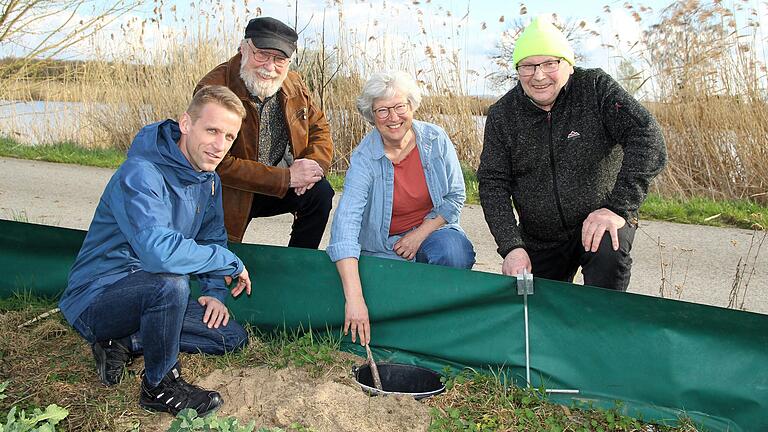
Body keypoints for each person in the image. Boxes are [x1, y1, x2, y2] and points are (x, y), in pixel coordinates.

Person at [59, 85, 253, 416]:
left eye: (229, 137)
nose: (220, 146)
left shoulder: (208, 180)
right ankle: (159, 386)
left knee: (230, 338)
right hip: (98, 298)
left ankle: (124, 343)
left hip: (156, 291)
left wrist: (214, 290)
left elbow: (212, 236)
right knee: (169, 281)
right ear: (186, 124)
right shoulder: (141, 172)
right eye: (212, 131)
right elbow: (157, 254)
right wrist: (228, 262)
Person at [478, 16, 667, 291]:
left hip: (599, 222)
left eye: (549, 64)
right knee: (532, 310)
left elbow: (648, 136)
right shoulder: (502, 115)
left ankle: (602, 328)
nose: (539, 75)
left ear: (568, 65)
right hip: (539, 237)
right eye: (528, 66)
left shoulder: (595, 88)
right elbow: (492, 184)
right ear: (517, 71)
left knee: (608, 252)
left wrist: (618, 208)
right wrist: (511, 247)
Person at [326, 71, 476, 346]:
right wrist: (355, 299)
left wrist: (419, 234)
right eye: (382, 110)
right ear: (372, 116)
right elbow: (345, 223)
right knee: (372, 290)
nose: (393, 118)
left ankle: (441, 331)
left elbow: (455, 196)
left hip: (431, 233)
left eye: (399, 107)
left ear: (411, 106)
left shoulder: (436, 139)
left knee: (453, 251)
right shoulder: (363, 159)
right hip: (384, 248)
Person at [195, 16, 334, 248]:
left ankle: (298, 264)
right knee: (218, 264)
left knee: (319, 193)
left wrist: (313, 165)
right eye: (262, 54)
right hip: (230, 190)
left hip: (280, 184)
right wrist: (286, 177)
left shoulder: (294, 84)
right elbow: (217, 163)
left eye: (280, 59)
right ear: (243, 48)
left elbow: (319, 126)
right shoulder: (214, 89)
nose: (270, 67)